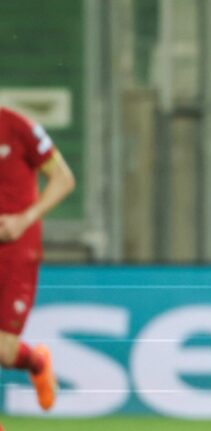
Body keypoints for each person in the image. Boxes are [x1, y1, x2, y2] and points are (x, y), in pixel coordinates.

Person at [0, 106, 76, 411]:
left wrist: (23, 219)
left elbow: (63, 179)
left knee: (4, 351)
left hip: (18, 248)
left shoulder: (17, 126)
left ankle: (36, 361)